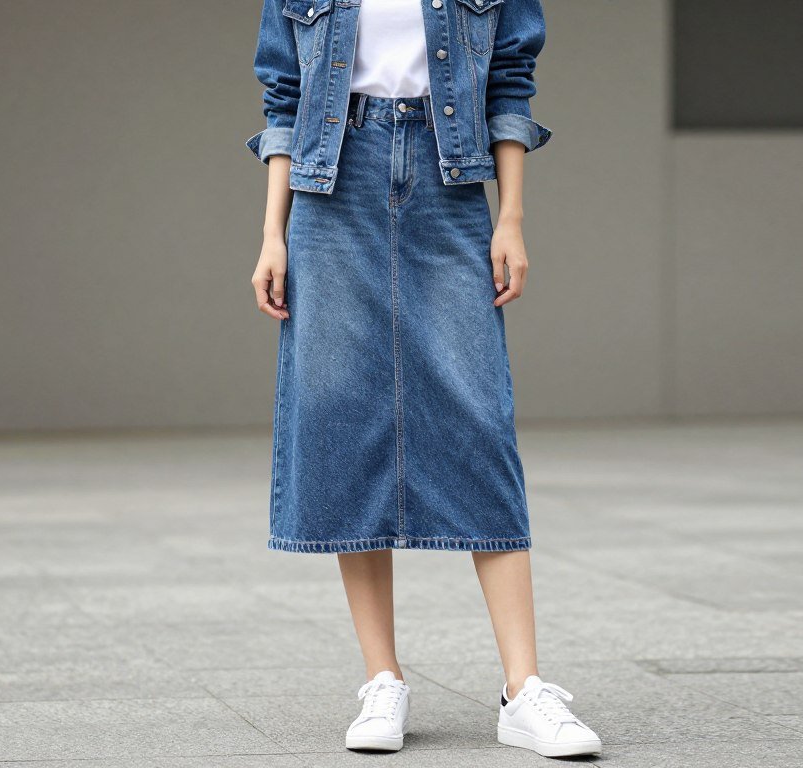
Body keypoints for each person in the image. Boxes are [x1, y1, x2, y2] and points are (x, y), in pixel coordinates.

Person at [246, 0, 601, 758]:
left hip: (449, 184)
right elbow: (284, 95)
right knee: (344, 419)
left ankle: (523, 689)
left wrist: (511, 218)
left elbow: (509, 83)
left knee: (478, 419)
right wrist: (272, 235)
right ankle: (383, 680)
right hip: (328, 189)